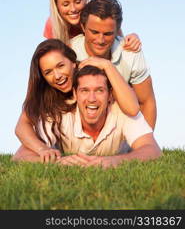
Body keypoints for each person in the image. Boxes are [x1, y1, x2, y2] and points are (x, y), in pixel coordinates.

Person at [12, 39, 139, 163]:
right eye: (48, 72)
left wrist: (107, 65)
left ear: (73, 62)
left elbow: (132, 109)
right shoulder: (46, 94)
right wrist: (42, 149)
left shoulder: (91, 76)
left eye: (60, 66)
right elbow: (21, 126)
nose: (57, 76)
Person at [13, 65, 162, 168]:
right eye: (84, 90)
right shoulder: (60, 113)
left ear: (110, 95)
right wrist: (57, 162)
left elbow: (153, 150)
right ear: (75, 94)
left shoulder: (123, 111)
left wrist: (116, 161)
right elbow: (20, 156)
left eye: (99, 90)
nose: (92, 98)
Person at [70, 0, 157, 130]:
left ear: (117, 31)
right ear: (83, 27)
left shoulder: (131, 54)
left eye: (108, 34)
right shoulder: (69, 52)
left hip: (119, 121)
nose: (100, 40)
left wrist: (146, 145)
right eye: (94, 32)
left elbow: (146, 102)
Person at [43, 0, 141, 51]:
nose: (73, 9)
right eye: (65, 4)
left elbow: (120, 43)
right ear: (57, 6)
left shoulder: (99, 15)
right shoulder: (52, 24)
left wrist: (133, 38)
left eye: (78, 2)